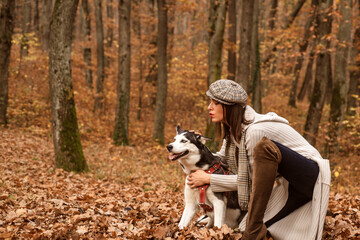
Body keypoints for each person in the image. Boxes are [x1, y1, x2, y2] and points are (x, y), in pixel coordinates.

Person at [187, 79, 330, 240]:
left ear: (228, 107)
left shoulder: (255, 131)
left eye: (214, 103)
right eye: (210, 102)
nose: (209, 107)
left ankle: (253, 233)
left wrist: (208, 178)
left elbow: (251, 181)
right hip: (290, 185)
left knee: (263, 148)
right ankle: (253, 229)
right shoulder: (234, 130)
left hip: (311, 175)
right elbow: (221, 160)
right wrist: (195, 147)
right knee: (242, 227)